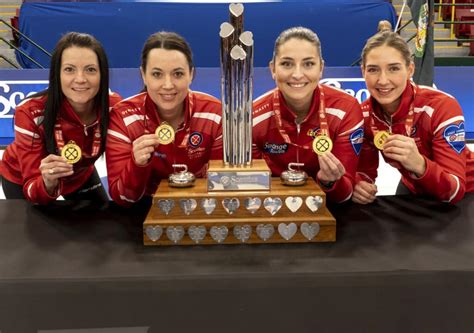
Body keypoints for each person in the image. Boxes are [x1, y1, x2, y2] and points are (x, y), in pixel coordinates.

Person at [0, 32, 121, 204]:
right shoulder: (30, 112)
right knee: (35, 231)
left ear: (102, 74)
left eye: (90, 69)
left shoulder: (114, 107)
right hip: (23, 178)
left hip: (79, 174)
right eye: (69, 69)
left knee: (103, 224)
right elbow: (32, 187)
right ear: (57, 74)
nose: (80, 79)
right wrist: (47, 182)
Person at [352, 28, 469, 204]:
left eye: (393, 69)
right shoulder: (364, 115)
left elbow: (454, 191)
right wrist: (359, 184)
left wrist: (419, 164)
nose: (383, 80)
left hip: (466, 190)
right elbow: (365, 171)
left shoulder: (440, 106)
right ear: (363, 72)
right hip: (413, 184)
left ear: (410, 69)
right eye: (373, 70)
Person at [106, 31, 222, 206]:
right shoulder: (123, 117)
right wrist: (136, 165)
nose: (168, 85)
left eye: (178, 74)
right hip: (144, 210)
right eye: (157, 74)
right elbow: (123, 199)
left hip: (202, 207)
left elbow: (222, 185)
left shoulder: (214, 114)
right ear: (143, 75)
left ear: (191, 74)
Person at [252, 27, 364, 203]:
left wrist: (330, 182)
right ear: (273, 69)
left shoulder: (345, 110)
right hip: (272, 210)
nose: (297, 74)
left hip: (331, 211)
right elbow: (252, 191)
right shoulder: (254, 117)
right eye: (287, 64)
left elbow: (344, 195)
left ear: (321, 68)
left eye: (308, 64)